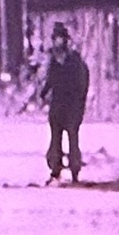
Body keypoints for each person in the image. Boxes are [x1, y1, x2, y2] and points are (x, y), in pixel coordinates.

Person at [38, 21, 88, 184]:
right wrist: (43, 93)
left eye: (60, 38)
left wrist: (80, 101)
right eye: (56, 38)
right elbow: (50, 79)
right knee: (55, 139)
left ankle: (74, 170)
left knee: (73, 138)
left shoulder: (74, 60)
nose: (58, 42)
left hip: (71, 105)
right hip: (57, 104)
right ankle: (55, 169)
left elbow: (82, 82)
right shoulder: (53, 60)